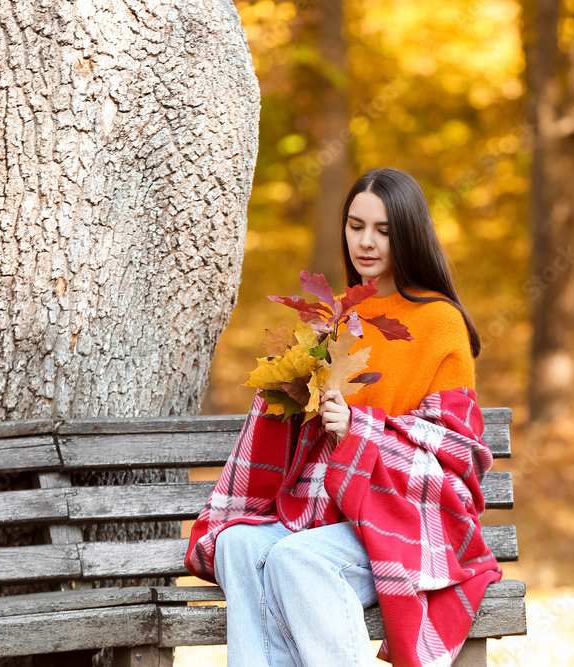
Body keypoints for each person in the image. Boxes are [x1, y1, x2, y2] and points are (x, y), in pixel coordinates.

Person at [185, 167, 500, 667]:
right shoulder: (336, 319)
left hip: (405, 516)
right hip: (330, 512)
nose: (366, 242)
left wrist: (361, 430)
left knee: (297, 559)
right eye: (356, 227)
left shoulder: (441, 323)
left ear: (409, 235)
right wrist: (290, 395)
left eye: (384, 230)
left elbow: (457, 456)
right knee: (238, 545)